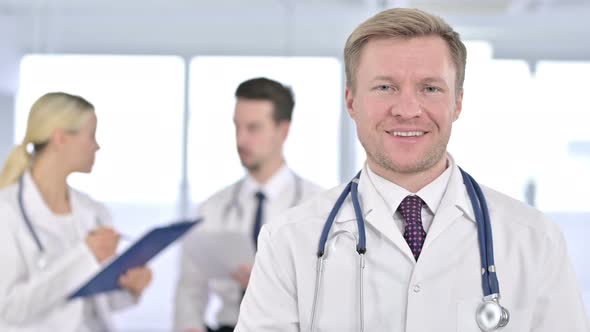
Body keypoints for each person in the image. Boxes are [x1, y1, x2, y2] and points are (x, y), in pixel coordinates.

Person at [234, 8, 590, 332]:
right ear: (351, 101)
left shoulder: (534, 241)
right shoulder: (288, 242)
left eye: (430, 88)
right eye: (385, 87)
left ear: (458, 102)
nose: (407, 109)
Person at [174, 77, 322, 332]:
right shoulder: (211, 210)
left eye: (253, 128)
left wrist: (274, 283)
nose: (241, 140)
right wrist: (189, 326)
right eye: (237, 127)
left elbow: (337, 293)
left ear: (283, 130)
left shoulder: (320, 208)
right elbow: (190, 290)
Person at [0, 92, 152, 331]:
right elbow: (10, 308)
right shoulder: (7, 211)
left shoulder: (93, 211)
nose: (97, 146)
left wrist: (129, 288)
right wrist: (85, 256)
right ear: (60, 138)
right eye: (91, 136)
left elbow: (99, 302)